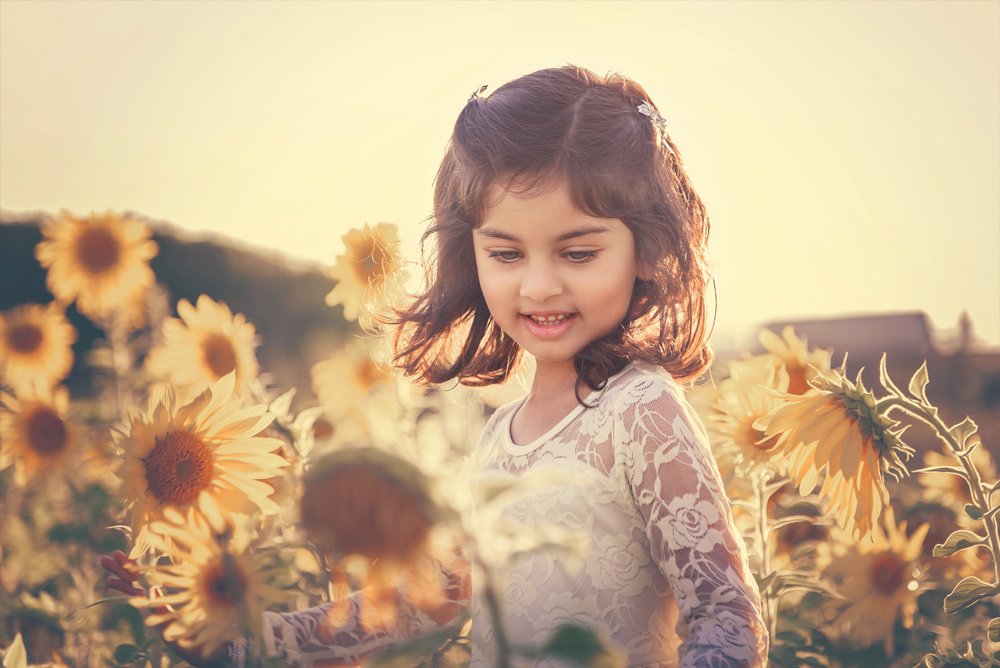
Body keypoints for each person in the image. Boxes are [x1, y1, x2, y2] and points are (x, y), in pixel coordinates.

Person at [105, 64, 768, 667]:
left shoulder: (641, 411)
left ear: (645, 250)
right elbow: (423, 602)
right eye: (506, 254)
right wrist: (238, 638)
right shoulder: (498, 435)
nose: (538, 286)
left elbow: (724, 615)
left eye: (577, 253)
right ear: (470, 255)